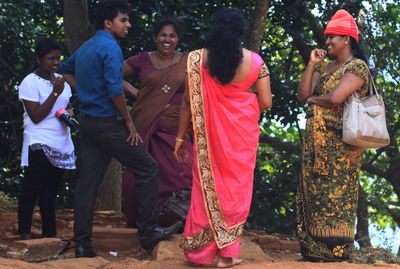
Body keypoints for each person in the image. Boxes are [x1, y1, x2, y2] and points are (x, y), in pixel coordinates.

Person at [59, 0, 180, 257]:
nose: (128, 24)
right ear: (108, 23)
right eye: (123, 20)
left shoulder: (87, 46)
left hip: (89, 123)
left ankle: (82, 244)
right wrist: (128, 121)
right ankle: (148, 233)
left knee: (88, 183)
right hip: (107, 124)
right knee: (148, 168)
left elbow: (64, 70)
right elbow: (115, 90)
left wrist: (85, 91)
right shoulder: (111, 48)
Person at [173, 9, 272, 267]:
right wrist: (240, 102)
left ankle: (199, 254)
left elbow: (186, 101)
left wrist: (180, 139)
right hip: (241, 137)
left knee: (205, 186)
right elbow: (266, 102)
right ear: (241, 33)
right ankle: (227, 256)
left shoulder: (196, 59)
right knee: (236, 190)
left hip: (208, 138)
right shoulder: (257, 63)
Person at [296, 9, 370, 261]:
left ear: (347, 39)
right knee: (314, 193)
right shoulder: (325, 66)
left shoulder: (357, 68)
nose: (327, 42)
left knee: (336, 197)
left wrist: (313, 101)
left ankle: (336, 254)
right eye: (327, 37)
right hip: (315, 145)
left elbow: (333, 99)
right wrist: (312, 65)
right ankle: (312, 251)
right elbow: (303, 95)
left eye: (333, 37)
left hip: (341, 149)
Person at [122, 18, 193, 229]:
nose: (167, 40)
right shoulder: (142, 60)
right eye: (163, 35)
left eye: (172, 36)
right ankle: (146, 221)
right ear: (154, 37)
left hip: (176, 130)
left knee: (183, 172)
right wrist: (139, 96)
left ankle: (178, 219)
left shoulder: (188, 61)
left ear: (178, 39)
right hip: (145, 126)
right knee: (142, 175)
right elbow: (111, 76)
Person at [18, 38, 76, 240]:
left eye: (58, 58)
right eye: (50, 58)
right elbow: (35, 116)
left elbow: (62, 106)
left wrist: (68, 112)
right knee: (31, 189)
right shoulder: (29, 82)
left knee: (50, 192)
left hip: (60, 141)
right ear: (38, 59)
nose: (55, 63)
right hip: (39, 141)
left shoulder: (61, 80)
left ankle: (49, 235)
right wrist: (54, 93)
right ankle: (25, 233)